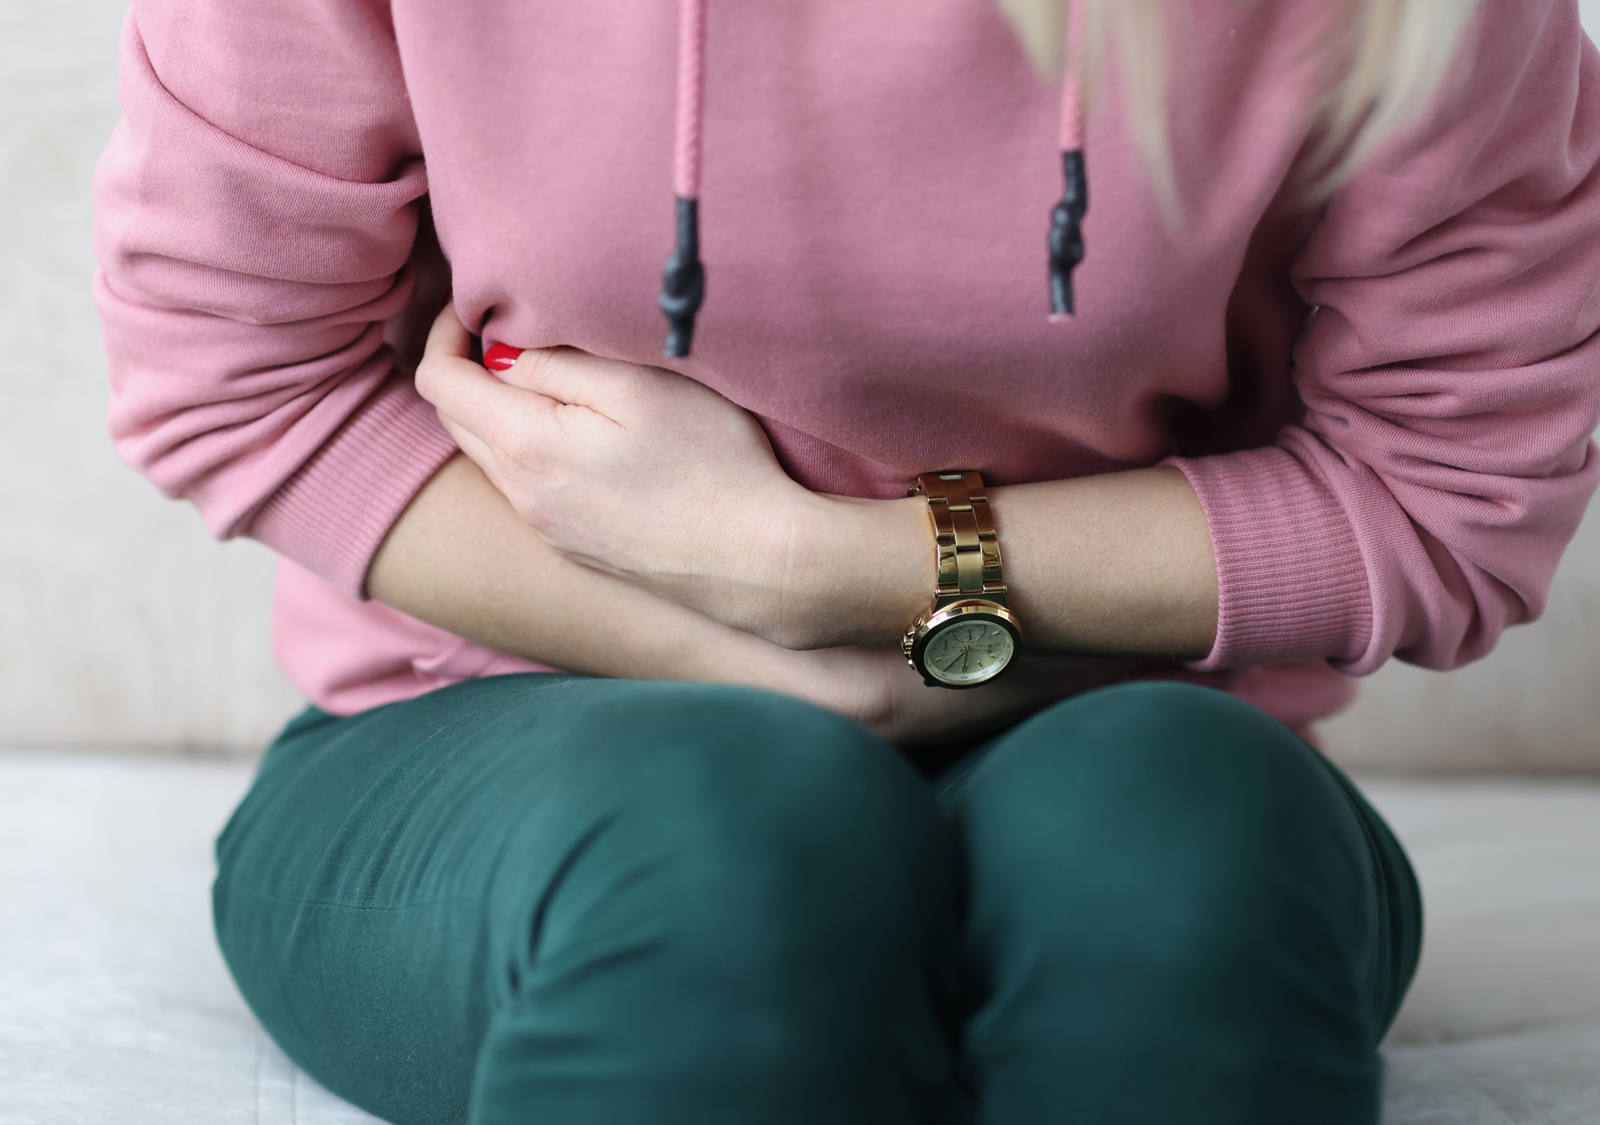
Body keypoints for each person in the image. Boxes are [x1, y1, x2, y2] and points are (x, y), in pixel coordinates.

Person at [88, 0, 1600, 1120]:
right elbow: (238, 373)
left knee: (1182, 846)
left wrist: (824, 563)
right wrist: (773, 675)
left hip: (1133, 740)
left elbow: (1451, 486)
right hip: (495, 740)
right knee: (723, 841)